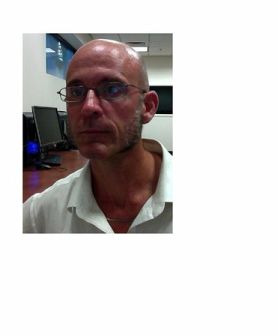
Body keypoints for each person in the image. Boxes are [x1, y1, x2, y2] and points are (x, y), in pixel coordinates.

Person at [23, 39, 172, 233]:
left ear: (148, 106)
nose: (88, 107)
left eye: (112, 89)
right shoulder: (41, 214)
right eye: (76, 92)